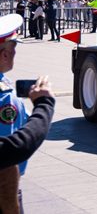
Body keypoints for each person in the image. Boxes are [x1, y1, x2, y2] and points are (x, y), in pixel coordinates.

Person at [0, 13, 55, 213]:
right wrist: (44, 104)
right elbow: (8, 161)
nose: (15, 53)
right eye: (13, 48)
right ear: (4, 54)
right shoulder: (4, 97)